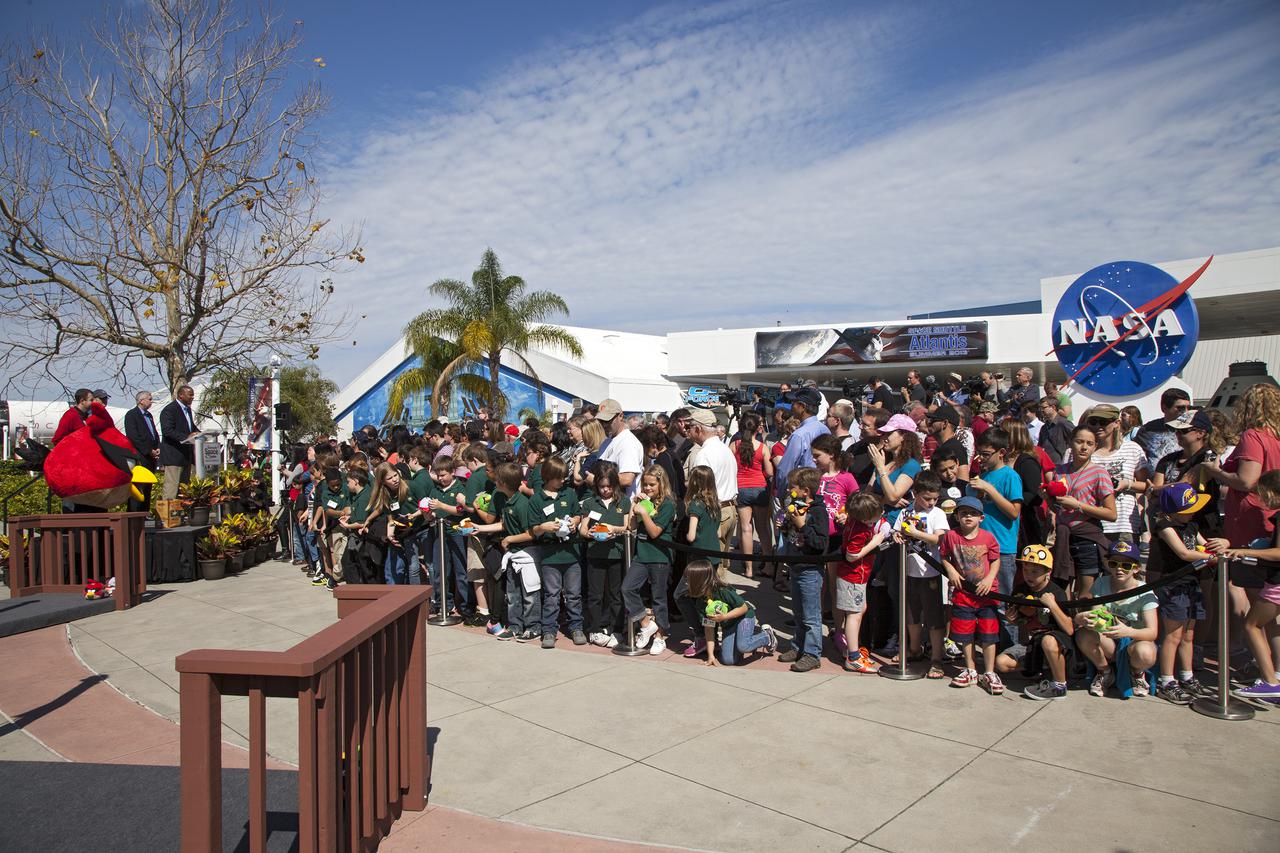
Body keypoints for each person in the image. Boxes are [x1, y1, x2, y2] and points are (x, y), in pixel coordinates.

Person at [1147, 482, 1215, 704]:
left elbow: (1206, 546)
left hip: (1191, 584)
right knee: (1173, 636)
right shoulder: (1165, 527)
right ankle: (1167, 681)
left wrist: (1220, 547)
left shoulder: (1192, 527)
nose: (1193, 512)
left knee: (1188, 635)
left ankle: (1187, 677)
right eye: (1187, 509)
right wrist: (1210, 558)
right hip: (1173, 586)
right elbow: (1184, 553)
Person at [1074, 541, 1159, 698]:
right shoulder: (1101, 583)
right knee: (1084, 635)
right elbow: (1096, 616)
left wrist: (1128, 631)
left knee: (1145, 652)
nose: (1119, 569)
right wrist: (1082, 618)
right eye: (1113, 563)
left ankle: (1136, 673)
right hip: (1110, 641)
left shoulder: (1145, 591)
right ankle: (1105, 671)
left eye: (1126, 565)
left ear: (1136, 568)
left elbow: (1152, 632)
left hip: (1134, 643)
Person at [1223, 470, 1280, 702]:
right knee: (1271, 624)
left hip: (1277, 584)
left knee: (1252, 625)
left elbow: (1278, 553)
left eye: (1262, 494)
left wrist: (1245, 551)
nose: (1260, 499)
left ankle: (1269, 682)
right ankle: (1275, 675)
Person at [940, 496, 1004, 693]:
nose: (968, 517)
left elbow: (995, 559)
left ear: (981, 518)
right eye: (964, 513)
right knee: (965, 634)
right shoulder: (951, 536)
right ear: (957, 516)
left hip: (987, 594)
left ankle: (990, 671)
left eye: (973, 513)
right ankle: (970, 669)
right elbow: (944, 555)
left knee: (988, 634)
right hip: (963, 593)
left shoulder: (987, 537)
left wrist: (989, 578)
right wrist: (950, 570)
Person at [1046, 425, 1117, 598]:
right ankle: (1067, 624)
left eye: (1089, 443)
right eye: (1079, 441)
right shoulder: (1060, 471)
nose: (1084, 447)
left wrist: (1078, 505)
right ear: (1070, 443)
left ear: (1095, 447)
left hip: (1087, 538)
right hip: (1064, 536)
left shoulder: (1099, 472)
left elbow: (1111, 514)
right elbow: (1057, 507)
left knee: (1086, 595)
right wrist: (1047, 497)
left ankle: (1085, 624)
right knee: (1061, 592)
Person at [892, 470, 950, 679]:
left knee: (934, 618)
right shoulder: (906, 512)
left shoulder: (937, 514)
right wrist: (898, 535)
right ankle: (914, 649)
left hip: (931, 573)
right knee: (912, 615)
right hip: (909, 572)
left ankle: (936, 657)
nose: (931, 502)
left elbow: (940, 539)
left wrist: (916, 534)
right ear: (915, 493)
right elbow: (896, 530)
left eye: (935, 498)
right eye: (927, 498)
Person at [997, 544, 1074, 700]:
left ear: (1048, 573)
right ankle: (1041, 668)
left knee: (1048, 641)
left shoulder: (1056, 592)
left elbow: (1069, 629)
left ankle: (1059, 685)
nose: (1029, 575)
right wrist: (1013, 620)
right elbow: (1022, 621)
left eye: (1035, 571)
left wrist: (1052, 605)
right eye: (1025, 569)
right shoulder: (1020, 590)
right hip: (1032, 644)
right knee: (1001, 663)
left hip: (1056, 644)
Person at [776, 466, 830, 673]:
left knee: (810, 616)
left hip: (810, 570)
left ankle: (812, 653)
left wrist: (802, 525)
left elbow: (819, 543)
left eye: (792, 487)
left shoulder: (817, 511)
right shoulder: (795, 505)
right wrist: (786, 525)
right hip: (795, 566)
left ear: (806, 490)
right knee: (798, 612)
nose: (789, 490)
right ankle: (798, 646)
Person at [527, 457, 584, 649]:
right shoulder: (536, 499)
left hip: (571, 553)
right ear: (548, 477)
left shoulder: (569, 493)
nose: (562, 481)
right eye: (558, 478)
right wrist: (544, 527)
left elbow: (577, 513)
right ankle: (549, 630)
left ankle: (576, 627)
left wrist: (575, 522)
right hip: (550, 556)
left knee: (574, 594)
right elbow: (534, 529)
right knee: (551, 594)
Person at [578, 460, 631, 647]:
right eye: (602, 487)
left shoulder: (623, 502)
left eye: (609, 487)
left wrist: (613, 529)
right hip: (595, 554)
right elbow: (583, 529)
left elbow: (627, 527)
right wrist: (589, 533)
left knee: (616, 594)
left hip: (616, 554)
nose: (605, 491)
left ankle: (616, 629)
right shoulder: (590, 503)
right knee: (595, 594)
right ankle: (595, 629)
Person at [626, 465, 677, 655]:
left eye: (652, 485)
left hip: (659, 556)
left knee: (659, 597)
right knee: (628, 588)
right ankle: (647, 625)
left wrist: (644, 513)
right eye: (645, 484)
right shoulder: (644, 502)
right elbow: (631, 527)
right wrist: (634, 507)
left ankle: (660, 636)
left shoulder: (667, 505)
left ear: (661, 484)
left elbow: (655, 532)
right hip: (641, 554)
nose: (647, 488)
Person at [685, 559, 777, 666]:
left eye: (688, 579)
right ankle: (741, 645)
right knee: (728, 661)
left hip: (744, 617)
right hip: (729, 624)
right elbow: (708, 628)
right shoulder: (700, 602)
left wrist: (724, 617)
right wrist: (711, 655)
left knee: (743, 645)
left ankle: (767, 636)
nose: (686, 583)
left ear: (700, 581)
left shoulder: (723, 591)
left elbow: (743, 608)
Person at [968, 430, 1023, 601]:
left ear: (1001, 453)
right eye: (979, 454)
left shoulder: (1010, 476)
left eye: (986, 454)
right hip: (980, 547)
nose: (981, 458)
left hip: (1003, 548)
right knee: (982, 601)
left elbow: (1014, 512)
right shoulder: (983, 476)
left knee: (1003, 601)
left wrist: (989, 489)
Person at [836, 492, 888, 673]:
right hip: (853, 576)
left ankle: (854, 650)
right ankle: (853, 657)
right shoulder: (859, 530)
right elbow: (852, 555)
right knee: (854, 614)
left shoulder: (856, 523)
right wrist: (875, 541)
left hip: (857, 577)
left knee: (859, 609)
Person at [676, 465, 724, 659]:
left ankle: (700, 635)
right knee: (707, 599)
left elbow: (691, 535)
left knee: (681, 595)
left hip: (698, 561)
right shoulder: (715, 504)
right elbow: (718, 533)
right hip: (713, 558)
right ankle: (711, 637)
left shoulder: (695, 505)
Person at [1085, 404, 1150, 543]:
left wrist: (1125, 484)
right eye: (1093, 422)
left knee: (1123, 565)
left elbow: (1147, 486)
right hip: (1089, 523)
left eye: (1103, 422)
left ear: (1117, 423)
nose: (1098, 426)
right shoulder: (1082, 451)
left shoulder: (1132, 449)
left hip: (1124, 523)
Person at [492, 462, 541, 642]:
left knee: (530, 593)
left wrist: (509, 539)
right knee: (513, 594)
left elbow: (531, 533)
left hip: (527, 555)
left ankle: (533, 627)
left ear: (503, 483)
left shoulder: (522, 504)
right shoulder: (508, 501)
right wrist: (480, 528)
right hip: (513, 555)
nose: (495, 482)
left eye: (497, 480)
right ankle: (515, 626)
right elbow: (505, 525)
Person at [812, 433, 858, 624]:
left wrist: (847, 515)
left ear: (830, 454)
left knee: (833, 583)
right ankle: (815, 617)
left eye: (817, 456)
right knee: (816, 582)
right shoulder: (815, 477)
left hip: (836, 536)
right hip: (815, 534)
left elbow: (857, 502)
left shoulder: (846, 478)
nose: (814, 460)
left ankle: (839, 626)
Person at [684, 408, 738, 553]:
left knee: (711, 565)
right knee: (720, 563)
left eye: (689, 427)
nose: (687, 431)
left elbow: (699, 488)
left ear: (698, 429)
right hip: (730, 510)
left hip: (715, 513)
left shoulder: (705, 454)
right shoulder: (724, 449)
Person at [731, 412, 773, 580]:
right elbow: (769, 472)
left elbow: (731, 467)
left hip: (741, 488)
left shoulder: (735, 445)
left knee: (746, 528)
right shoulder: (763, 448)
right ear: (758, 429)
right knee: (763, 528)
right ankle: (768, 565)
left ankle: (749, 568)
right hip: (760, 488)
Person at [772, 387, 830, 500]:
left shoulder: (799, 435)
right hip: (823, 489)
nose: (791, 406)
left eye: (794, 402)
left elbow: (785, 469)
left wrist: (783, 494)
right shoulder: (825, 429)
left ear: (802, 406)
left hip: (802, 494)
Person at [595, 398, 645, 498]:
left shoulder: (628, 443)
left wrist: (595, 479)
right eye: (601, 421)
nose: (604, 424)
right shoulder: (607, 441)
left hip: (622, 508)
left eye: (608, 420)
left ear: (621, 416)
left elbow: (627, 479)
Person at [159, 385, 200, 499]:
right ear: (181, 395)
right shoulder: (170, 410)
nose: (192, 397)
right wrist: (187, 436)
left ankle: (181, 514)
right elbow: (167, 431)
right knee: (171, 489)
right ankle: (168, 516)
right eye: (190, 394)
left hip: (186, 456)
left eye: (193, 395)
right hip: (174, 456)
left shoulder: (187, 410)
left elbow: (190, 427)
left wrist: (199, 433)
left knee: (183, 489)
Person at [1133, 387, 1192, 464]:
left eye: (1189, 408)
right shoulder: (1148, 430)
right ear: (1164, 408)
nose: (1186, 412)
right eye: (1181, 408)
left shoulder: (1194, 429)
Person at [124, 390, 160, 512]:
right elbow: (133, 436)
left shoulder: (149, 415)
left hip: (151, 457)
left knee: (148, 487)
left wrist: (157, 447)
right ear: (141, 400)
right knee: (139, 487)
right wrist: (148, 450)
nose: (151, 401)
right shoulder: (131, 415)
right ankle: (134, 514)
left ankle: (144, 513)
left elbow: (153, 433)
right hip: (140, 457)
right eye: (149, 399)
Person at [925, 406, 969, 480]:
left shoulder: (955, 447)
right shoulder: (944, 447)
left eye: (933, 420)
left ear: (945, 423)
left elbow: (963, 480)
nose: (929, 423)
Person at [1036, 395, 1075, 465]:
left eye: (1044, 407)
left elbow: (1077, 437)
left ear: (1053, 407)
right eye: (1040, 408)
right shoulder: (1044, 427)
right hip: (1046, 466)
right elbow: (1040, 447)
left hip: (1061, 466)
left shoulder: (1064, 423)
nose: (1041, 410)